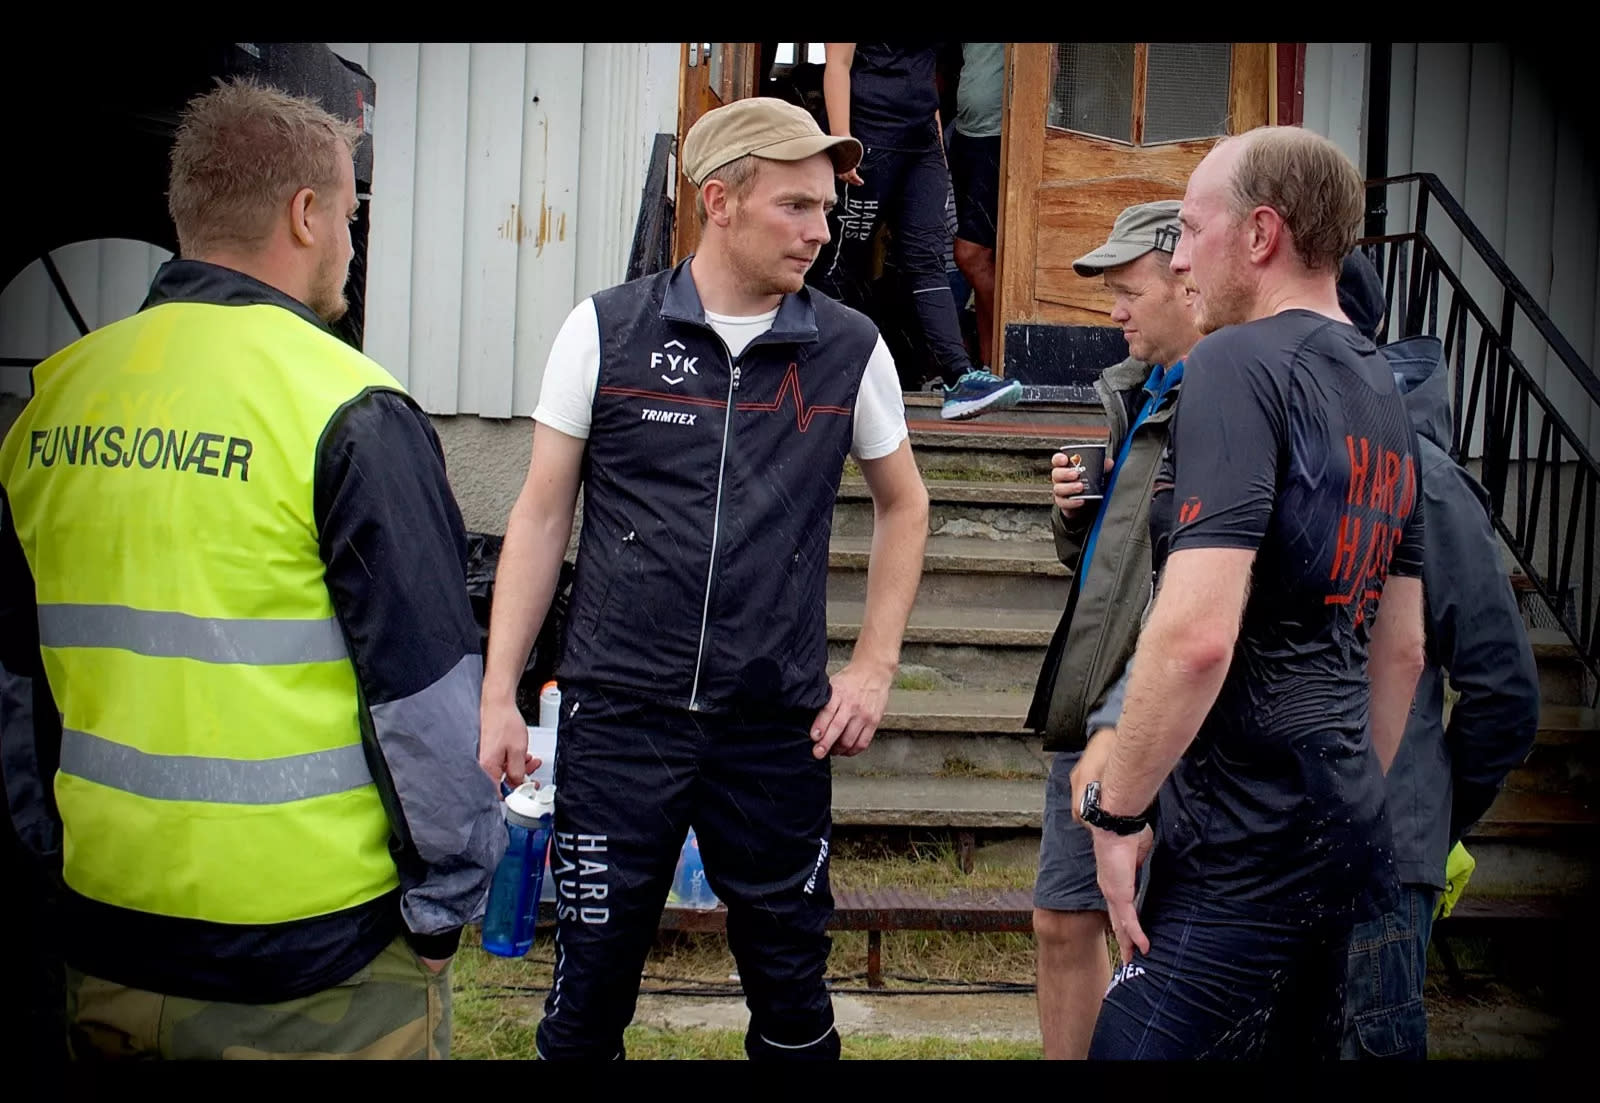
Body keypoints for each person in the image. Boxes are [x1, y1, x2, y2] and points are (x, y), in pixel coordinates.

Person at [0, 79, 505, 1061]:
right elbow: (427, 707)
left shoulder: (55, 400)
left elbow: (19, 687)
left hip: (108, 935)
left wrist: (51, 865)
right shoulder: (348, 408)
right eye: (349, 219)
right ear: (306, 214)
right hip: (315, 971)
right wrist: (446, 903)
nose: (350, 245)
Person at [476, 96, 930, 1061]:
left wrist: (874, 666)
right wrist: (499, 692)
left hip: (772, 727)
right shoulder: (607, 331)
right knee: (587, 999)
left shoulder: (850, 346)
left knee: (794, 999)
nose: (821, 231)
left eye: (825, 208)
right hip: (619, 717)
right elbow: (542, 515)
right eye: (795, 206)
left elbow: (907, 503)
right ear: (719, 201)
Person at [1079, 126, 1429, 1060]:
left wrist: (1117, 810)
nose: (1178, 259)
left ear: (1262, 233)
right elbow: (1401, 650)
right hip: (1346, 830)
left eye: (1193, 230)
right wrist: (1342, 799)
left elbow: (1196, 636)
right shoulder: (1384, 388)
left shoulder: (1235, 363)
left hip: (1237, 844)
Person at [1333, 251, 1540, 1060]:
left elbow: (1505, 691)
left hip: (1385, 860)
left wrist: (1434, 813)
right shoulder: (1274, 443)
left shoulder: (1425, 475)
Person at [1024, 200, 1199, 1060]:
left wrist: (1122, 722)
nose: (1114, 310)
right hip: (1093, 705)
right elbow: (1123, 558)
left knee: (1144, 932)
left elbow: (1191, 589)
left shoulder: (1223, 399)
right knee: (1062, 917)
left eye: (1129, 290)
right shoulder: (1142, 386)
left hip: (1152, 712)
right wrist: (1075, 516)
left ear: (1186, 283)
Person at [810, 42, 1021, 420]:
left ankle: (959, 377)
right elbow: (837, 65)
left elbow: (925, 70)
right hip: (866, 138)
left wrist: (937, 146)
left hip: (921, 142)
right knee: (842, 261)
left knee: (927, 257)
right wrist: (843, 143)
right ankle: (816, 371)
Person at [949, 43, 1005, 372]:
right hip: (966, 134)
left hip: (1000, 136)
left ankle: (1006, 358)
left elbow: (1047, 63)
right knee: (985, 259)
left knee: (971, 255)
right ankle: (990, 365)